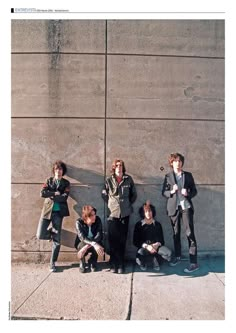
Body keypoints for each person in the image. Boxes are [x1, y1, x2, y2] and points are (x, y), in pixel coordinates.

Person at [162, 153, 199, 273]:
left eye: (180, 161)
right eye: (175, 161)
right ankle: (178, 257)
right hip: (174, 208)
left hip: (186, 207)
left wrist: (187, 192)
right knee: (175, 234)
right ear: (171, 163)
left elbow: (194, 191)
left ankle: (193, 262)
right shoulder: (168, 176)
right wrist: (171, 191)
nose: (178, 163)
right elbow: (164, 192)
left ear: (182, 163)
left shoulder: (188, 175)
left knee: (190, 234)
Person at [102, 158, 137, 274]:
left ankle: (121, 264)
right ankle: (113, 263)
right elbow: (104, 195)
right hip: (112, 213)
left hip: (125, 213)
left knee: (122, 240)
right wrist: (113, 204)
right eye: (117, 166)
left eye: (121, 165)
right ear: (113, 168)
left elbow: (133, 195)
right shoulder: (108, 180)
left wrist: (125, 205)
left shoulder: (128, 179)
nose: (119, 167)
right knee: (113, 240)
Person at [36, 160, 70, 272]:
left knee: (57, 239)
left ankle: (52, 263)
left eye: (60, 169)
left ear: (63, 171)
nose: (58, 171)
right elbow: (42, 193)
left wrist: (50, 195)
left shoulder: (66, 183)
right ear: (54, 170)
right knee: (40, 234)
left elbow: (64, 197)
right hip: (47, 211)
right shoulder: (49, 181)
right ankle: (50, 233)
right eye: (56, 169)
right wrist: (54, 193)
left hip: (58, 213)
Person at [133, 201, 172, 271]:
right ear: (143, 213)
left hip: (156, 247)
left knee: (168, 253)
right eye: (146, 211)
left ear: (153, 212)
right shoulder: (138, 225)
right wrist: (147, 246)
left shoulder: (157, 224)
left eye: (150, 211)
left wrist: (156, 244)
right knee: (140, 254)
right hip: (145, 248)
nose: (148, 213)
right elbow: (135, 241)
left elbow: (162, 241)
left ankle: (156, 262)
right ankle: (144, 264)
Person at [74, 205, 104, 273]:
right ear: (86, 216)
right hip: (82, 242)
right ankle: (82, 262)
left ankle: (93, 261)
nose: (94, 217)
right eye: (92, 215)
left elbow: (99, 235)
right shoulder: (78, 222)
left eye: (94, 214)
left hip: (94, 241)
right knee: (81, 246)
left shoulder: (98, 220)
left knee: (99, 245)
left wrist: (91, 245)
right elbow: (82, 237)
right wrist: (93, 244)